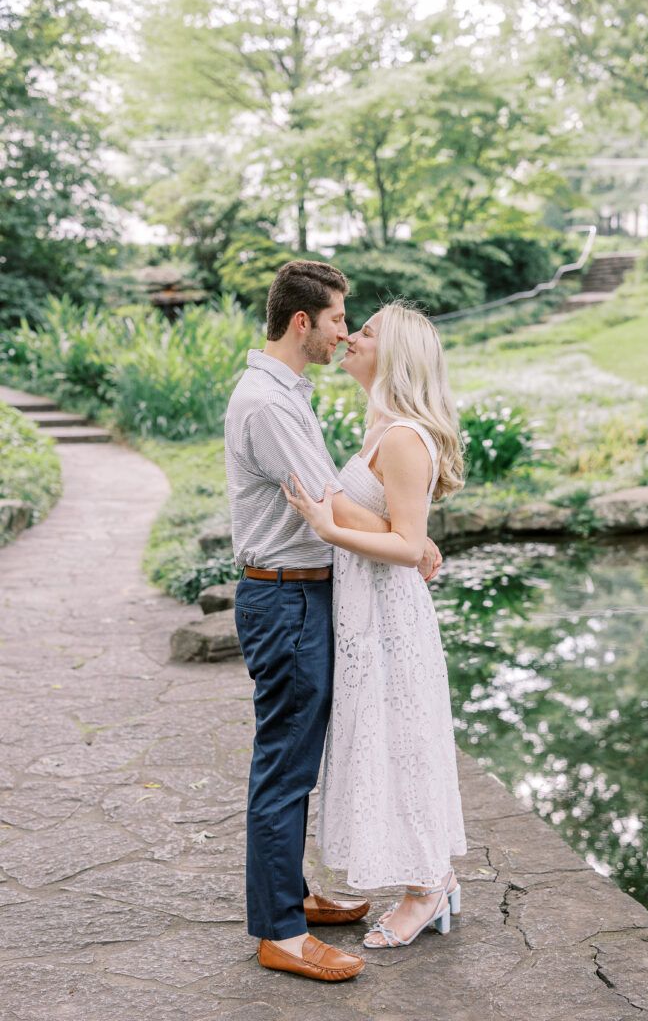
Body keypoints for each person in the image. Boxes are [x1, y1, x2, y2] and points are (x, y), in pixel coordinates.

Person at [224, 263, 441, 981]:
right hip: (285, 595)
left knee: (299, 759)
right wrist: (409, 538)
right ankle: (280, 933)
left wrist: (406, 534)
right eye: (340, 320)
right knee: (285, 765)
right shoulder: (269, 403)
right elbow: (327, 503)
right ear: (302, 323)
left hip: (306, 592)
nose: (345, 332)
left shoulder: (288, 393)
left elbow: (341, 505)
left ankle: (291, 896)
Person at [281, 301, 468, 950]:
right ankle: (402, 874)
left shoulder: (402, 437)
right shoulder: (378, 426)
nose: (350, 337)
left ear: (396, 358)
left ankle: (428, 888)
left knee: (402, 743)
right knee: (373, 740)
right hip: (364, 612)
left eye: (364, 333)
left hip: (390, 617)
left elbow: (408, 545)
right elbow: (397, 529)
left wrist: (325, 524)